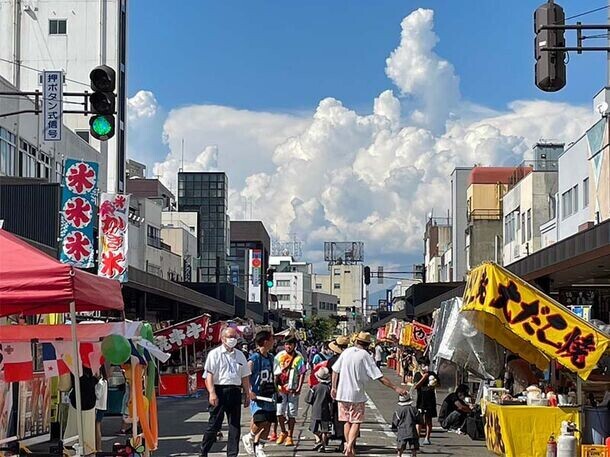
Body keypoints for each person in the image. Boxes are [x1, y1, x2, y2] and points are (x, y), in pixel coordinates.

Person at [331, 332, 407, 457]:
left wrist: (334, 387)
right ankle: (350, 445)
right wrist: (396, 388)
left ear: (356, 342)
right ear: (367, 345)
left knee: (346, 421)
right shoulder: (365, 355)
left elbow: (335, 370)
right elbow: (379, 377)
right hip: (356, 394)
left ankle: (348, 446)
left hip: (342, 393)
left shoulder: (346, 352)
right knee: (356, 421)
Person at [200, 327, 251, 457]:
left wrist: (247, 393)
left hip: (234, 391)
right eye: (230, 337)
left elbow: (245, 376)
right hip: (219, 390)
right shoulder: (214, 354)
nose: (233, 340)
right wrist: (212, 392)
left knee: (234, 426)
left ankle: (232, 454)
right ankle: (204, 451)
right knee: (214, 424)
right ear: (223, 338)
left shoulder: (240, 355)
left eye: (235, 337)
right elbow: (209, 375)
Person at [242, 330, 276, 457]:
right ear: (266, 341)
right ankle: (249, 436)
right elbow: (245, 375)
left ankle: (260, 447)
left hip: (269, 393)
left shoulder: (271, 357)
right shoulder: (254, 358)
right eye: (272, 339)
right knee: (260, 419)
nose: (274, 342)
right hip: (257, 395)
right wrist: (249, 391)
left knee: (269, 421)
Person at [273, 334, 306, 447]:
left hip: (292, 389)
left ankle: (290, 436)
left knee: (292, 413)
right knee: (279, 412)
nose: (288, 346)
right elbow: (275, 373)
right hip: (280, 389)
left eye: (290, 344)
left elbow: (302, 373)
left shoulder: (299, 357)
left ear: (294, 345)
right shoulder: (279, 356)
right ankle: (283, 431)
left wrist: (299, 388)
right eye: (286, 344)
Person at [327, 336, 350, 451]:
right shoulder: (350, 358)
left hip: (337, 390)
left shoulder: (332, 360)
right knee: (351, 418)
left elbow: (330, 373)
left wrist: (333, 387)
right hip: (350, 389)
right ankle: (349, 441)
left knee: (338, 415)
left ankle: (342, 440)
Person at [307, 367, 333, 453]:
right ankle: (323, 445)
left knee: (313, 428)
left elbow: (308, 399)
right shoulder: (328, 388)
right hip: (326, 411)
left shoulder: (314, 388)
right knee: (325, 430)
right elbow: (331, 400)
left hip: (315, 411)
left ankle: (318, 439)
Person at [413, 357, 437, 445]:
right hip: (421, 400)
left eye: (427, 365)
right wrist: (424, 377)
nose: (425, 367)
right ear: (420, 365)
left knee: (428, 420)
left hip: (430, 400)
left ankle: (427, 438)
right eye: (423, 365)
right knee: (419, 420)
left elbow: (439, 384)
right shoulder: (417, 375)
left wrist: (434, 384)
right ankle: (417, 437)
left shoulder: (432, 374)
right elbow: (416, 386)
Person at [391, 393, 420, 457]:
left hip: (402, 431)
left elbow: (395, 422)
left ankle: (399, 455)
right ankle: (414, 455)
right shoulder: (414, 409)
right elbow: (419, 420)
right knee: (413, 447)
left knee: (401, 446)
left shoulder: (398, 410)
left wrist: (394, 427)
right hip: (412, 431)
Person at [94, 366, 108, 452]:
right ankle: (98, 448)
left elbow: (98, 395)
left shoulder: (100, 382)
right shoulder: (104, 381)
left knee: (96, 427)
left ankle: (98, 448)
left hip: (97, 407)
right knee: (97, 426)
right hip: (102, 407)